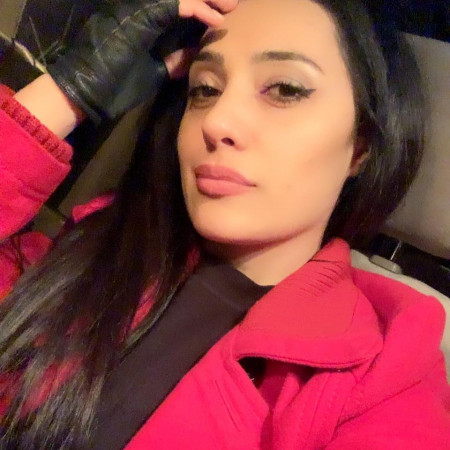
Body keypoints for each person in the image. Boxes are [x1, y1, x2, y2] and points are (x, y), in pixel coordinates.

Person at [0, 0, 449, 448]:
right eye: (205, 89)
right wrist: (68, 92)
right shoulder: (97, 245)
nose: (216, 122)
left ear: (361, 147)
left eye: (286, 89)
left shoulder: (383, 377)